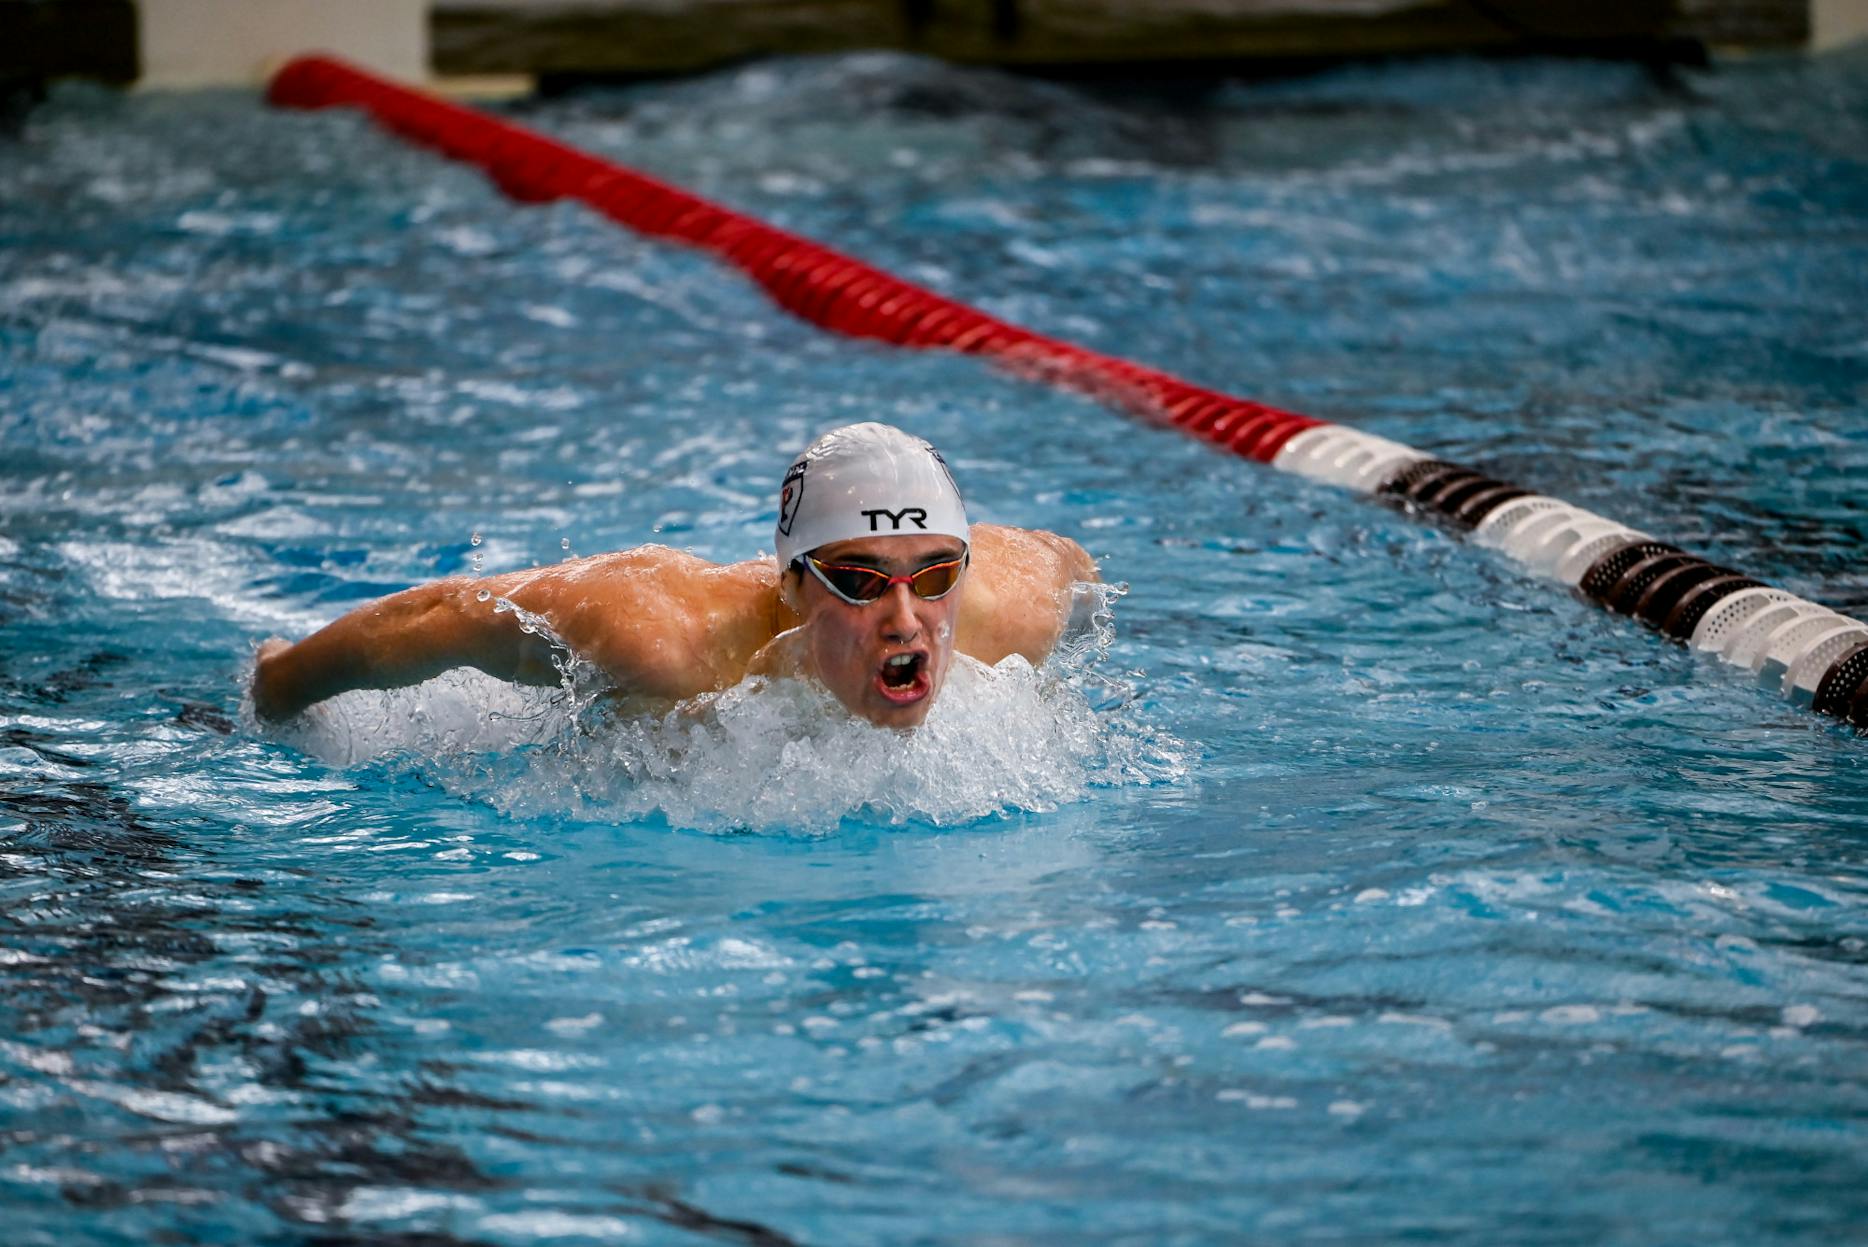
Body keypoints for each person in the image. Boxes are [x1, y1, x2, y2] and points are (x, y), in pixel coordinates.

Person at [251, 422, 1097, 729]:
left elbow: (1076, 566)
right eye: (862, 580)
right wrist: (280, 682)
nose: (908, 618)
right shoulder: (665, 639)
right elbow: (443, 615)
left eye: (934, 574)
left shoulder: (1008, 611)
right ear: (792, 583)